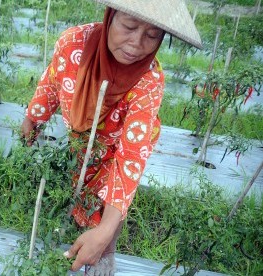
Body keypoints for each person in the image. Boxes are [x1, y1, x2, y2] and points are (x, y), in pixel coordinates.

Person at [21, 0, 202, 275]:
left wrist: (105, 231)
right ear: (110, 16)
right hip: (81, 142)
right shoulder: (73, 44)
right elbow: (51, 83)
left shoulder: (148, 80)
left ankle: (105, 255)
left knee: (110, 211)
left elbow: (130, 158)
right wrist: (33, 118)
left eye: (152, 35)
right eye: (129, 26)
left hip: (118, 149)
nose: (137, 43)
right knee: (78, 192)